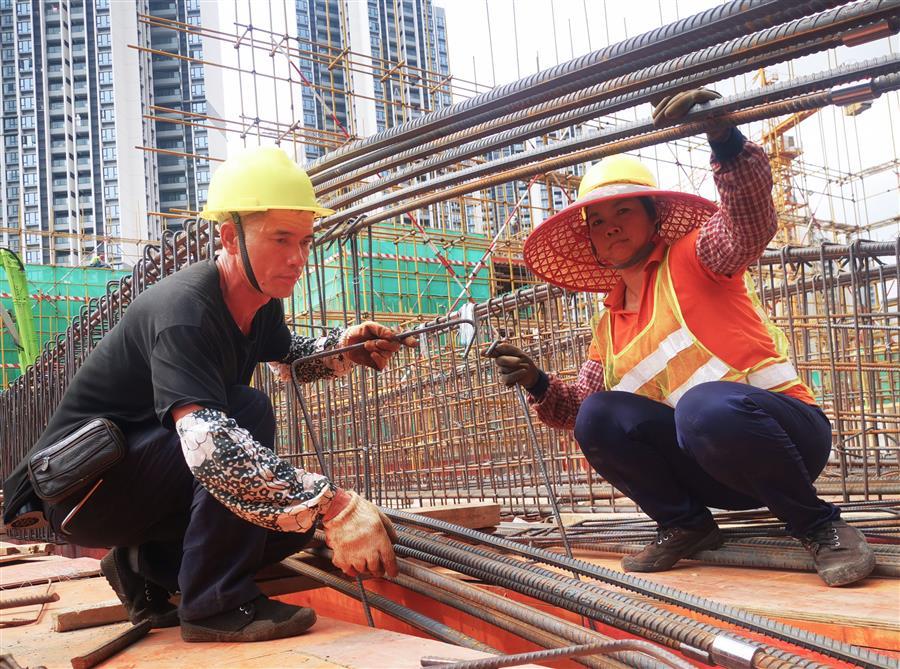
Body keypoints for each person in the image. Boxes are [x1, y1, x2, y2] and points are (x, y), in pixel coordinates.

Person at [3, 147, 415, 642]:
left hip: (129, 481)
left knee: (290, 525)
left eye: (305, 241)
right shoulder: (187, 312)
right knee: (245, 412)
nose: (297, 258)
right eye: (280, 239)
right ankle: (214, 605)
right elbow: (209, 446)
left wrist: (345, 348)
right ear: (230, 238)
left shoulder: (260, 304)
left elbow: (290, 357)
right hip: (79, 492)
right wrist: (336, 505)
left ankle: (143, 566)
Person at [487, 89, 875, 587]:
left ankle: (818, 524)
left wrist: (724, 140)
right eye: (598, 221)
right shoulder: (608, 325)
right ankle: (686, 523)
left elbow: (749, 224)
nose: (610, 228)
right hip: (710, 468)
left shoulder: (697, 256)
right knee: (598, 413)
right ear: (592, 240)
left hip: (787, 441)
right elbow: (579, 413)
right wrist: (539, 383)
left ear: (654, 217)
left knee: (702, 405)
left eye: (623, 212)